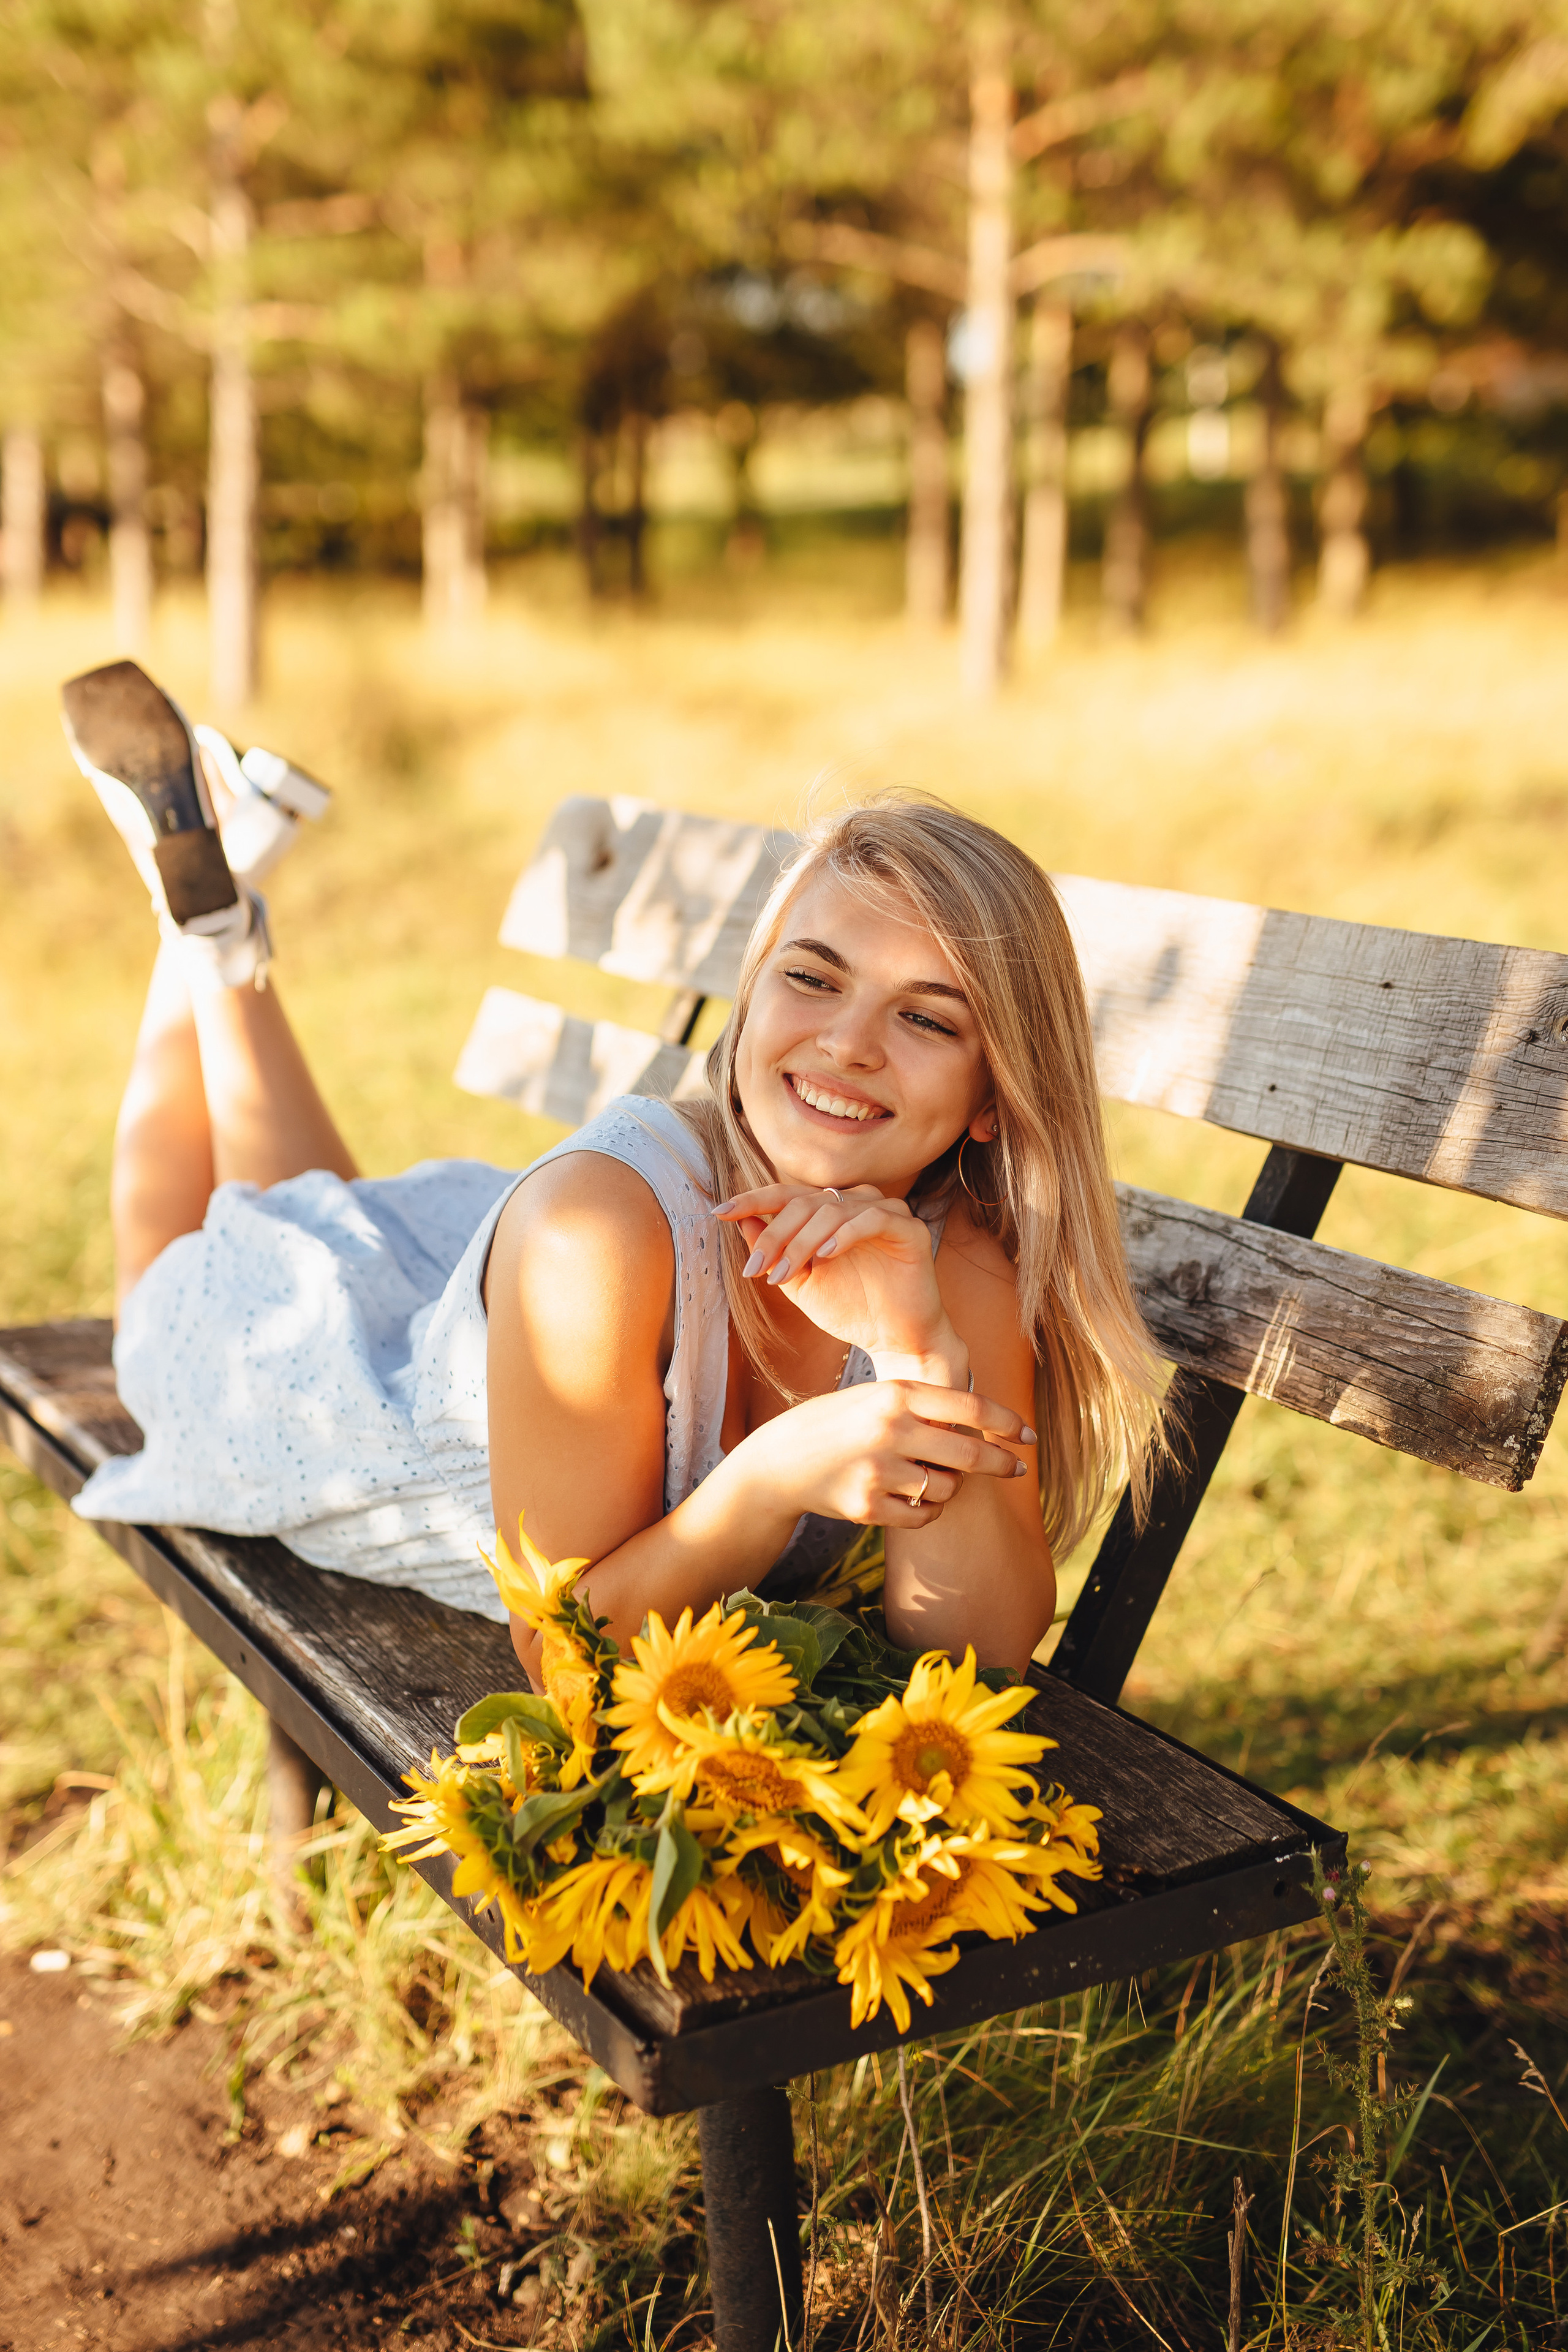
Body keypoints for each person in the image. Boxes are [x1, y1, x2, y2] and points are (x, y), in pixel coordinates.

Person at [66, 660, 1164, 1683]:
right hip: (336, 1423)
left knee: (322, 1223)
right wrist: (770, 1480)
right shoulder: (599, 1227)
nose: (848, 1045)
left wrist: (921, 1354)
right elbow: (558, 1658)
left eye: (926, 1019)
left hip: (449, 1308)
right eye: (813, 979)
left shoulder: (953, 1254)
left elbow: (980, 1646)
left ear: (993, 1100)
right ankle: (198, 938)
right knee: (166, 1308)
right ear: (751, 1001)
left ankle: (220, 925)